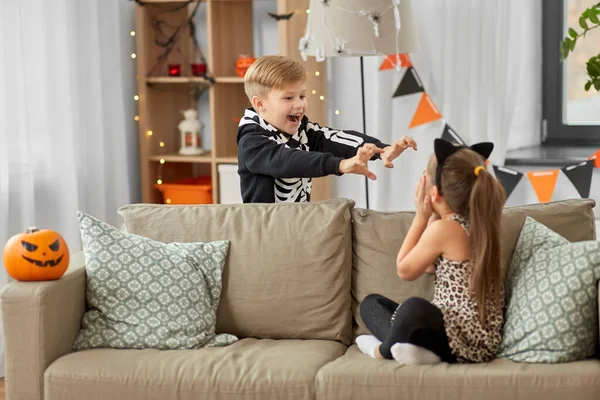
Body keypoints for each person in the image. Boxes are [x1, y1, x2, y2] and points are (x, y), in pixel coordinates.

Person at [356, 138, 506, 364]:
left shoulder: (445, 229)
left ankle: (383, 350)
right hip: (473, 340)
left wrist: (421, 216)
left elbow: (405, 270)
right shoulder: (478, 222)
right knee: (373, 303)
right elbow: (427, 266)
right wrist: (434, 215)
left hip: (460, 342)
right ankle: (420, 352)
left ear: (435, 193)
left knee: (412, 309)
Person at [236, 55, 417, 203]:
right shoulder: (251, 142)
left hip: (297, 228)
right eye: (288, 98)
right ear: (260, 104)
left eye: (302, 96)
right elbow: (286, 160)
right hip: (264, 237)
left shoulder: (302, 130)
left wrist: (380, 149)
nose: (299, 104)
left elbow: (334, 137)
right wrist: (339, 164)